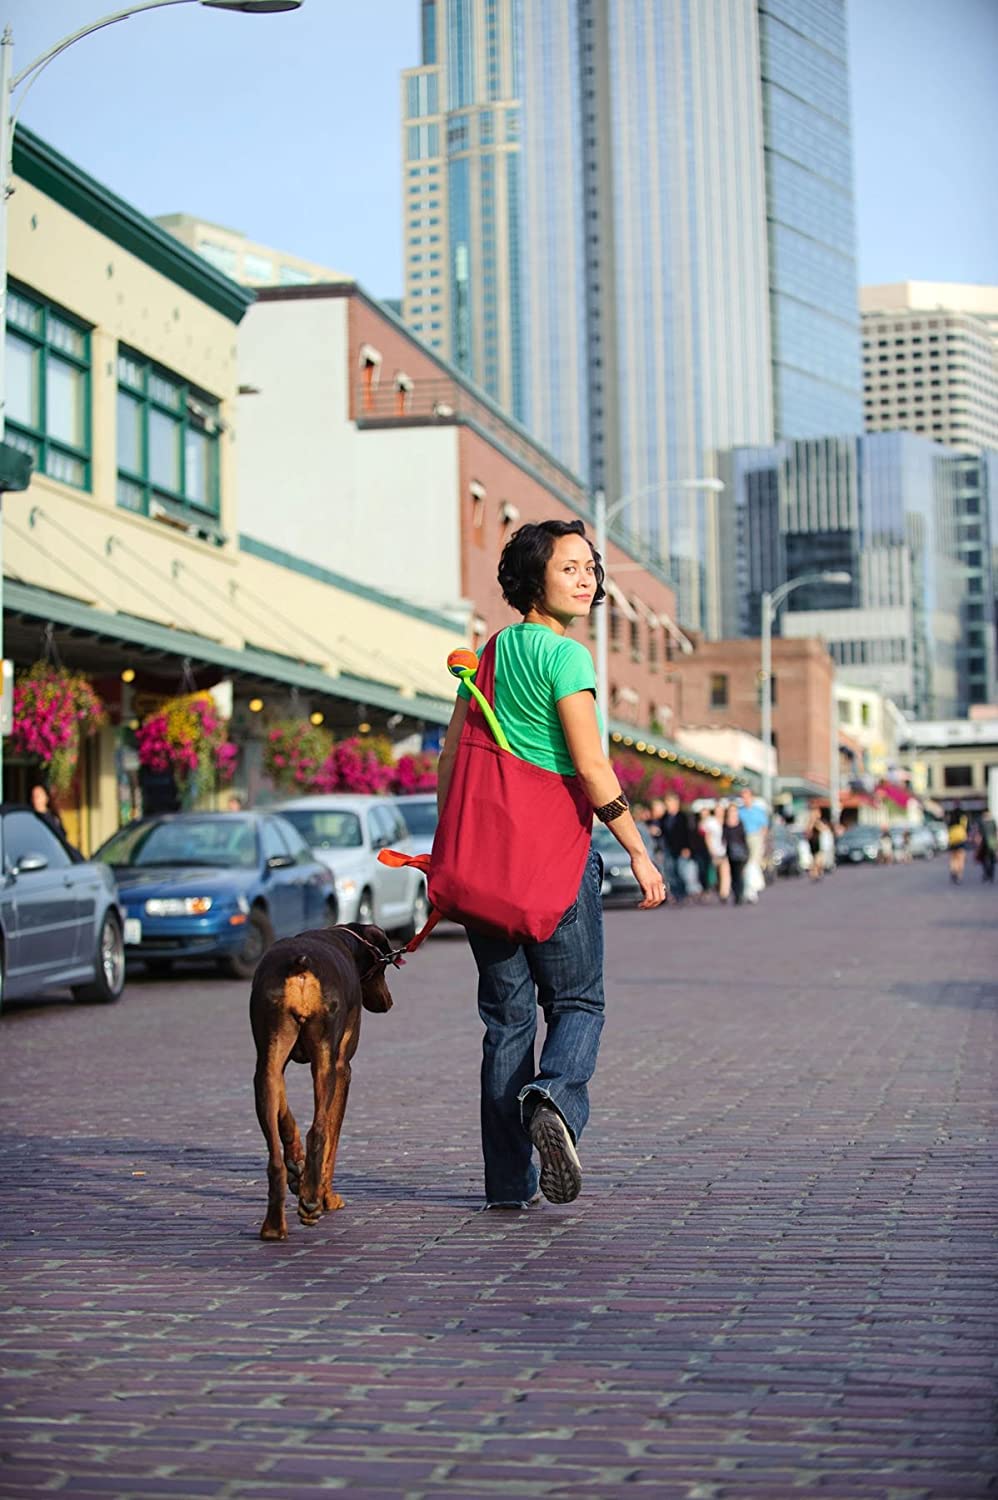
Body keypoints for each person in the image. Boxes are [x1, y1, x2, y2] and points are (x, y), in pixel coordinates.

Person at [437, 519, 665, 1211]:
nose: (586, 577)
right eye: (569, 567)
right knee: (577, 1002)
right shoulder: (566, 659)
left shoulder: (491, 653)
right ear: (534, 580)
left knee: (506, 1025)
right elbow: (591, 766)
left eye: (590, 567)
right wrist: (636, 847)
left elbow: (451, 759)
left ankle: (509, 1184)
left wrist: (452, 843)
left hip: (484, 872)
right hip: (554, 861)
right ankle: (555, 1101)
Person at [659, 792, 693, 904]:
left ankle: (683, 893)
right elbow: (662, 833)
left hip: (680, 849)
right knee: (670, 872)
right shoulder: (664, 817)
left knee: (680, 871)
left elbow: (687, 833)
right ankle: (676, 894)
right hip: (669, 849)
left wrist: (686, 847)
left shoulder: (682, 817)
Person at [738, 788, 768, 902]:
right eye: (743, 797)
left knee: (753, 862)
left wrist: (762, 840)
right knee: (746, 864)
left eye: (746, 796)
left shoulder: (758, 811)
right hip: (743, 839)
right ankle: (750, 889)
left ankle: (753, 889)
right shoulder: (740, 811)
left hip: (756, 837)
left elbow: (764, 827)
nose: (745, 799)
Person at [722, 803, 750, 906]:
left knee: (739, 874)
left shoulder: (740, 823)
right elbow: (724, 838)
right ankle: (736, 894)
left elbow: (744, 838)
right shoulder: (725, 824)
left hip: (740, 852)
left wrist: (746, 852)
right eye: (731, 811)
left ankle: (740, 894)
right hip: (730, 852)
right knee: (733, 874)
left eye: (734, 810)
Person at [702, 802, 729, 902]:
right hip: (714, 851)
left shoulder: (726, 821)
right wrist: (711, 850)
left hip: (724, 851)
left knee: (725, 872)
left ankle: (724, 893)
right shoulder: (711, 822)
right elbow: (707, 836)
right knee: (712, 873)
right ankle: (710, 889)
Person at [947, 806, 968, 884]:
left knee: (953, 858)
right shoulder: (963, 818)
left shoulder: (950, 819)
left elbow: (948, 828)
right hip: (960, 840)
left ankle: (953, 870)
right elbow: (966, 827)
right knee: (961, 858)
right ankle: (959, 875)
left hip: (952, 840)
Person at [976, 811, 997, 883]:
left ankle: (988, 874)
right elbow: (995, 832)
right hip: (991, 842)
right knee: (991, 860)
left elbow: (979, 834)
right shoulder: (992, 822)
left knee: (985, 859)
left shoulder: (982, 822)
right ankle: (990, 874)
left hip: (985, 843)